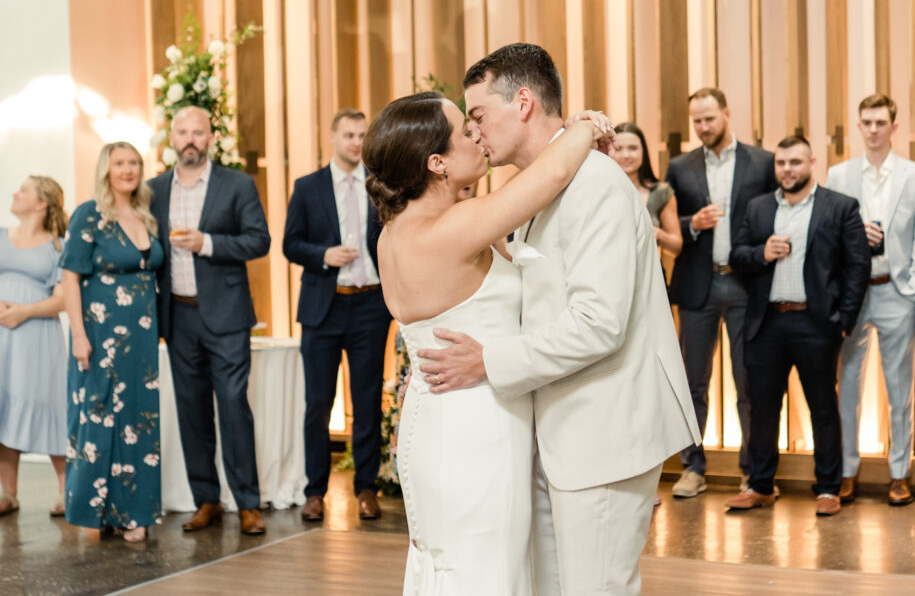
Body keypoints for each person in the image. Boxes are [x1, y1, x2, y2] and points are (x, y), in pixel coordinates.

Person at [415, 43, 700, 595]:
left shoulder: (595, 185)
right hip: (558, 431)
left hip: (603, 433)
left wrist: (486, 362)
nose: (474, 133)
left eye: (478, 116)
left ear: (523, 101)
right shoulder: (538, 188)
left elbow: (598, 323)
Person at [362, 86, 612, 593]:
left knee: (454, 562)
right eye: (464, 131)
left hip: (441, 414)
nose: (477, 135)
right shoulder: (452, 229)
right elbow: (554, 173)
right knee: (482, 567)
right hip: (471, 425)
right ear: (437, 162)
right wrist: (586, 126)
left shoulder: (401, 230)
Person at [726, 135, 870, 517]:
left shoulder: (839, 207)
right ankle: (760, 485)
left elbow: (857, 268)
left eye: (795, 162)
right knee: (762, 409)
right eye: (781, 163)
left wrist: (843, 322)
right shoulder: (757, 208)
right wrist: (762, 253)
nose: (787, 170)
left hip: (816, 323)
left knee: (822, 408)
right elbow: (736, 255)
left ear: (812, 163)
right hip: (766, 322)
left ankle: (827, 488)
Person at [148, 106, 271, 535]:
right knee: (191, 411)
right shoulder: (153, 189)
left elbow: (260, 240)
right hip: (177, 316)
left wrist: (207, 243)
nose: (190, 140)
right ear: (172, 137)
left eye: (198, 132)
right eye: (182, 132)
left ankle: (249, 504)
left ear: (210, 138)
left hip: (227, 316)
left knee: (234, 407)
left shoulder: (237, 184)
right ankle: (206, 499)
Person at [663, 87, 776, 498]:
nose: (703, 127)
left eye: (709, 119)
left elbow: (771, 214)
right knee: (693, 383)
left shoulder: (762, 163)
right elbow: (669, 221)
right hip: (699, 284)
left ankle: (752, 471)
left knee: (749, 382)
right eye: (696, 121)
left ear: (727, 114)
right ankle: (693, 467)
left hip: (746, 284)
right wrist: (694, 223)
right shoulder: (679, 167)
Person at [282, 108, 392, 522]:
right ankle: (315, 492)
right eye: (348, 134)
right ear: (332, 137)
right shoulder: (307, 187)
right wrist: (322, 255)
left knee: (366, 402)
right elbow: (290, 244)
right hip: (323, 307)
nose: (356, 142)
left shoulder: (379, 186)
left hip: (370, 304)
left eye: (362, 134)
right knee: (317, 404)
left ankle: (366, 487)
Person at [825, 94, 915, 506]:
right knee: (847, 386)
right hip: (853, 293)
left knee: (899, 388)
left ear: (893, 126)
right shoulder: (839, 175)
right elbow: (829, 235)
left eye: (880, 122)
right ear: (858, 126)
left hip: (896, 290)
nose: (873, 129)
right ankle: (847, 471)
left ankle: (899, 472)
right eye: (866, 122)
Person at [61, 143, 164, 542]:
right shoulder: (89, 214)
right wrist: (79, 337)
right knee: (100, 416)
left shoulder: (144, 215)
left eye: (134, 163)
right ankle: (99, 511)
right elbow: (70, 278)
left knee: (139, 420)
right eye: (119, 163)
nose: (128, 169)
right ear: (106, 169)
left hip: (140, 339)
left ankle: (135, 513)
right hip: (99, 335)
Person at [0, 176, 68, 518]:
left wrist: (23, 312)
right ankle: (8, 493)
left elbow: (64, 298)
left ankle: (66, 490)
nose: (15, 192)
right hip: (2, 338)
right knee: (5, 406)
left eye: (23, 189)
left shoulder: (58, 246)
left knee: (50, 402)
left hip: (38, 334)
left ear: (41, 203)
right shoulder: (0, 236)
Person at [611, 122, 682, 255]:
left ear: (643, 151)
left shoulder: (661, 192)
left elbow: (676, 246)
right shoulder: (600, 192)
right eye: (618, 149)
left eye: (632, 148)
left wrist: (658, 234)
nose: (626, 155)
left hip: (651, 272)